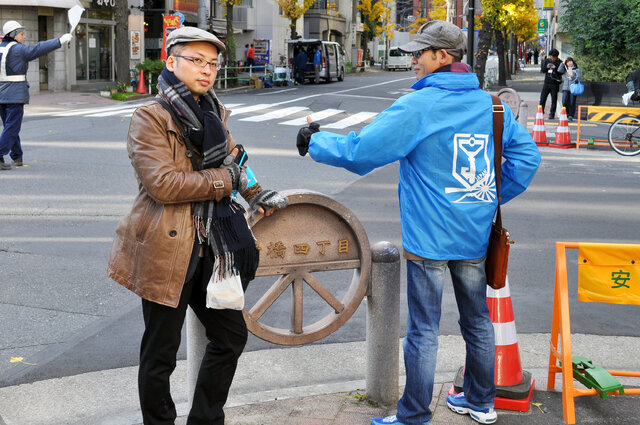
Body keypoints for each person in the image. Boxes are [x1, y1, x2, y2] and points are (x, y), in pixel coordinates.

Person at [295, 20, 540, 425]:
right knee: (478, 320)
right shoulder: (489, 105)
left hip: (428, 237)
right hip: (474, 234)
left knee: (424, 330)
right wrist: (485, 198)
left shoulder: (419, 105)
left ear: (442, 57)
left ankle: (413, 415)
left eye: (418, 53)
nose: (412, 61)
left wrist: (315, 141)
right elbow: (527, 159)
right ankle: (481, 403)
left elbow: (363, 151)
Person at [107, 26, 288, 425]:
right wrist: (224, 181)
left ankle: (205, 419)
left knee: (230, 336)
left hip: (212, 244)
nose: (207, 70)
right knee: (161, 352)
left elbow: (236, 158)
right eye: (197, 61)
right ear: (171, 62)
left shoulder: (215, 111)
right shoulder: (149, 117)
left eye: (213, 63)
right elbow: (164, 185)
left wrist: (256, 192)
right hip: (166, 247)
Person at [0, 20, 72, 170]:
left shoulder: (1, 48)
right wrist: (60, 41)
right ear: (13, 35)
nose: (24, 36)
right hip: (14, 95)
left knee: (10, 127)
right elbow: (38, 49)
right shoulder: (18, 50)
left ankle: (17, 156)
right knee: (12, 128)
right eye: (21, 34)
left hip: (2, 95)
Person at [539, 48, 564, 119]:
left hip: (555, 83)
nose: (551, 58)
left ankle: (552, 114)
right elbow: (542, 70)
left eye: (553, 57)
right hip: (547, 82)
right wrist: (547, 67)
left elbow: (561, 72)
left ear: (556, 57)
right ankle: (541, 112)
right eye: (551, 57)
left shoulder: (560, 62)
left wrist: (555, 68)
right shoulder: (547, 61)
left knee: (554, 99)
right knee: (542, 98)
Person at [558, 57, 581, 121]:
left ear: (573, 62)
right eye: (567, 62)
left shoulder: (576, 70)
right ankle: (566, 114)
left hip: (573, 88)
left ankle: (571, 115)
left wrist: (572, 76)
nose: (569, 63)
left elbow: (578, 78)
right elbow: (559, 70)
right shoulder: (565, 69)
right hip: (565, 88)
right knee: (564, 101)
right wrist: (562, 63)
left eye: (570, 61)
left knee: (572, 102)